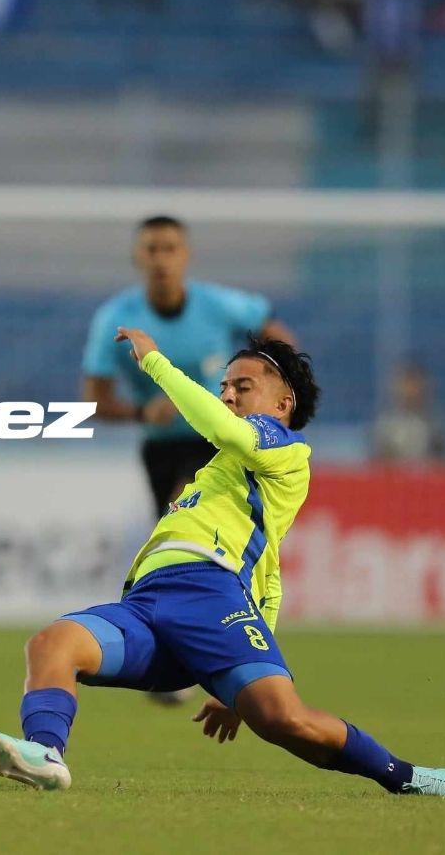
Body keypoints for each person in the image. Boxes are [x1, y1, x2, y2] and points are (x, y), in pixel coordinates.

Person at [0, 330, 445, 799]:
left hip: (210, 600)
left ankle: (409, 777)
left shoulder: (284, 450)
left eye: (243, 386)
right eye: (224, 387)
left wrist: (155, 363)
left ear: (284, 403)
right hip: (147, 604)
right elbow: (272, 571)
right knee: (51, 643)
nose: (228, 396)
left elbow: (227, 434)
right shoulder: (222, 473)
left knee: (283, 720)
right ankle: (45, 753)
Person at [83, 215, 293, 705]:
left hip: (225, 443)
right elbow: (94, 400)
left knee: (193, 520)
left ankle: (212, 647)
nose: (161, 259)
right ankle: (195, 647)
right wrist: (140, 411)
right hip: (164, 444)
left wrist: (270, 396)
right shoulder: (114, 318)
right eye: (151, 249)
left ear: (186, 256)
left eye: (170, 248)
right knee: (180, 538)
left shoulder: (223, 306)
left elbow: (280, 341)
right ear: (138, 258)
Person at [372, 361, 445, 463]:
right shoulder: (386, 426)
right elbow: (378, 464)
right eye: (406, 384)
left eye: (415, 385)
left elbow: (443, 463)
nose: (411, 391)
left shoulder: (437, 425)